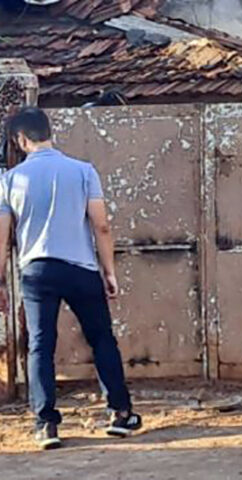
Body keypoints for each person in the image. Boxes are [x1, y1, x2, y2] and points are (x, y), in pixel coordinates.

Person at [0, 107, 142, 449]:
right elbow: (101, 225)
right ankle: (120, 414)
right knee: (101, 338)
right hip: (81, 268)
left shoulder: (9, 180)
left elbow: (2, 237)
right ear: (50, 132)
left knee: (40, 345)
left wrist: (0, 283)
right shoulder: (83, 171)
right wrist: (109, 271)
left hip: (36, 272)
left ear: (20, 140)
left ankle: (45, 424)